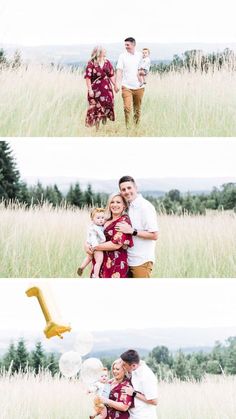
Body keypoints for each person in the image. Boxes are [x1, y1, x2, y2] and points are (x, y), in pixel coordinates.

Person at [116, 176, 158, 278]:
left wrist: (132, 231)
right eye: (123, 189)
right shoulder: (128, 207)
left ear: (136, 187)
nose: (127, 191)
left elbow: (154, 235)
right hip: (127, 260)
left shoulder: (145, 207)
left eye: (129, 188)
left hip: (141, 262)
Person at [84, 46, 118, 130]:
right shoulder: (91, 63)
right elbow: (88, 78)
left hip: (107, 90)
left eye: (104, 53)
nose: (103, 55)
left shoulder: (107, 62)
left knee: (106, 106)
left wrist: (115, 85)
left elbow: (111, 75)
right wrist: (90, 90)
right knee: (96, 108)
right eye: (102, 53)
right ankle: (97, 128)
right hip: (95, 91)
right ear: (97, 53)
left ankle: (104, 124)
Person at [120, 349, 158, 419]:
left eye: (124, 365)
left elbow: (154, 401)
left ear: (133, 365)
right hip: (133, 416)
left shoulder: (146, 376)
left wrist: (133, 393)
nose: (122, 366)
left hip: (143, 416)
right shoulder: (135, 369)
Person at [116, 37, 145, 127]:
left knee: (137, 109)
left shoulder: (140, 55)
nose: (126, 46)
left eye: (127, 45)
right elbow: (119, 70)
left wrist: (144, 73)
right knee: (127, 108)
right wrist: (117, 83)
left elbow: (146, 67)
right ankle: (128, 127)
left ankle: (136, 127)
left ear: (133, 45)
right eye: (125, 45)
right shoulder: (122, 56)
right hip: (126, 86)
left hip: (139, 87)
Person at [77, 208, 106, 278]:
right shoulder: (96, 228)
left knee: (89, 258)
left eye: (103, 217)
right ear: (92, 219)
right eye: (98, 218)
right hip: (97, 247)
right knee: (99, 261)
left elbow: (88, 238)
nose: (101, 219)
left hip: (91, 245)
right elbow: (101, 238)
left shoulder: (92, 227)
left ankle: (82, 267)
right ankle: (96, 275)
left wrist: (88, 244)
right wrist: (101, 244)